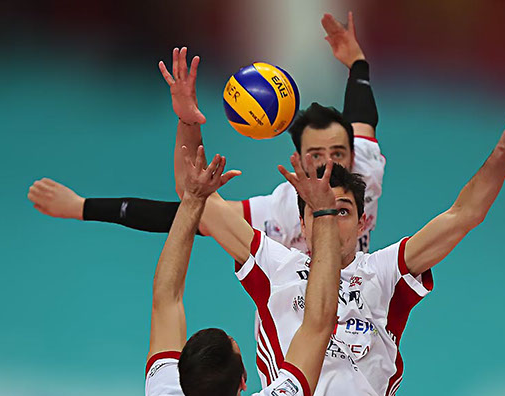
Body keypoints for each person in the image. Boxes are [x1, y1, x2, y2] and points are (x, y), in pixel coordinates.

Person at [189, 82, 505, 396]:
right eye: (320, 211)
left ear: (360, 222)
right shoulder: (276, 266)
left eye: (343, 211)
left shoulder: (384, 272)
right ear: (303, 225)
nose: (332, 221)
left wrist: (501, 154)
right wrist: (188, 120)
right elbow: (200, 204)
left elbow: (463, 215)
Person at [28, 12, 383, 254]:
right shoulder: (278, 215)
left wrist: (357, 64)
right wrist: (81, 207)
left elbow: (361, 117)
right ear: (297, 163)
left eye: (338, 153)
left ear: (353, 155)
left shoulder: (366, 172)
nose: (329, 164)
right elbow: (187, 209)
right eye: (316, 156)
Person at [145, 141, 343, 396]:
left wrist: (193, 199)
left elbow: (166, 300)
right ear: (243, 380)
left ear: (179, 382)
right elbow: (319, 322)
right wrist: (324, 212)